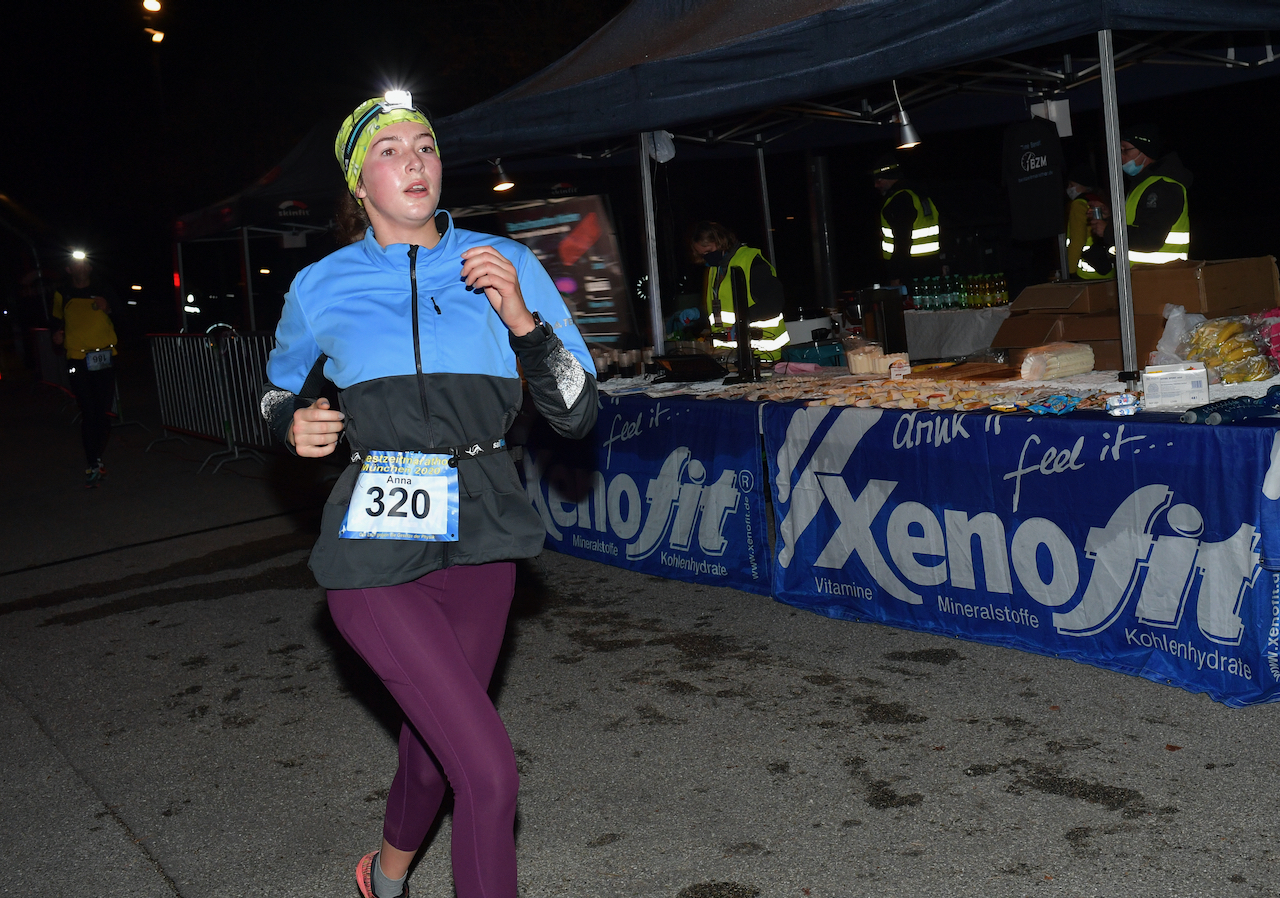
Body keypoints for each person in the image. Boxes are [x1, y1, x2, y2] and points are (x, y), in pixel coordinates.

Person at [259, 91, 598, 898]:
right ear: (359, 183)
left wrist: (520, 316)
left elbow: (579, 412)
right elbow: (276, 394)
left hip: (483, 524)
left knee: (434, 741)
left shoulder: (505, 264)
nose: (413, 162)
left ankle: (384, 875)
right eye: (389, 151)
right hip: (373, 534)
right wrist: (291, 423)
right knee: (488, 771)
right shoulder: (318, 286)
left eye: (425, 147)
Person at [51, 253, 119, 487]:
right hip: (78, 360)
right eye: (76, 263)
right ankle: (93, 461)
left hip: (104, 356)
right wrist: (57, 337)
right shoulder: (63, 293)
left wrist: (108, 307)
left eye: (85, 262)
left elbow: (124, 315)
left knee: (103, 413)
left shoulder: (103, 289)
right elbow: (57, 322)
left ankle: (96, 457)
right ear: (69, 269)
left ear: (90, 267)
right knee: (88, 411)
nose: (81, 266)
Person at [1092, 123, 1193, 266]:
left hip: (1161, 279)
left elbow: (1150, 238)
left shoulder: (1162, 187)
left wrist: (1109, 231)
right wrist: (1110, 216)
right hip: (1142, 278)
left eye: (1125, 150)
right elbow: (1137, 222)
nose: (1120, 156)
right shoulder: (1143, 184)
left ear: (1145, 152)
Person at [686, 220, 787, 360]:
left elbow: (774, 302)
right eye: (702, 255)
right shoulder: (714, 270)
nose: (707, 257)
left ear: (721, 240)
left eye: (709, 251)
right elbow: (723, 308)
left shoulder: (751, 261)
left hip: (762, 355)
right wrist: (699, 313)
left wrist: (743, 320)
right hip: (729, 358)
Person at [871, 153, 942, 285]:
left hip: (910, 272)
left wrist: (895, 276)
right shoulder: (920, 194)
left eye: (879, 180)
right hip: (931, 268)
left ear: (889, 177)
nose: (876, 185)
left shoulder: (899, 200)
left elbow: (902, 240)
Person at [1063, 164, 1112, 280]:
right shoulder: (1098, 200)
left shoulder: (1078, 204)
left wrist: (1069, 271)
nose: (1069, 189)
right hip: (1105, 266)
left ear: (1082, 186)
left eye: (1072, 185)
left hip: (1086, 270)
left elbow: (1078, 239)